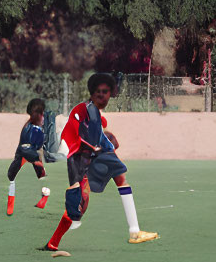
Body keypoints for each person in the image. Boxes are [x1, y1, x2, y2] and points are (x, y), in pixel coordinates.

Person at [41, 73, 159, 251]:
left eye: (107, 92)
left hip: (88, 156)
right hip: (93, 155)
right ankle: (134, 232)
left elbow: (92, 131)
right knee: (91, 195)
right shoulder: (90, 111)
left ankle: (54, 242)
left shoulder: (88, 110)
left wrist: (105, 142)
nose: (104, 96)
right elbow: (89, 136)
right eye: (101, 92)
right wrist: (105, 145)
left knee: (89, 196)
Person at [6, 98, 50, 215]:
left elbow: (38, 145)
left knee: (41, 175)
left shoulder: (39, 129)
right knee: (11, 175)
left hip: (34, 151)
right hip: (24, 153)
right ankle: (10, 203)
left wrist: (37, 157)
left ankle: (44, 195)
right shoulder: (28, 129)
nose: (43, 117)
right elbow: (24, 148)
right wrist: (35, 159)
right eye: (41, 115)